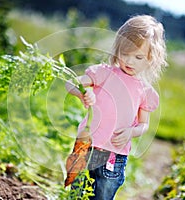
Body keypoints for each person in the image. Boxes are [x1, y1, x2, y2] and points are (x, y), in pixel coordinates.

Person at [65, 14, 167, 199]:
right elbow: (70, 83)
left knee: (104, 194)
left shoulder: (145, 92)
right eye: (124, 54)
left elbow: (144, 125)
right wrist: (82, 92)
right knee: (77, 193)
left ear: (151, 59)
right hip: (87, 146)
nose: (129, 61)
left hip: (114, 154)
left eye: (138, 57)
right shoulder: (104, 73)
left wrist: (130, 132)